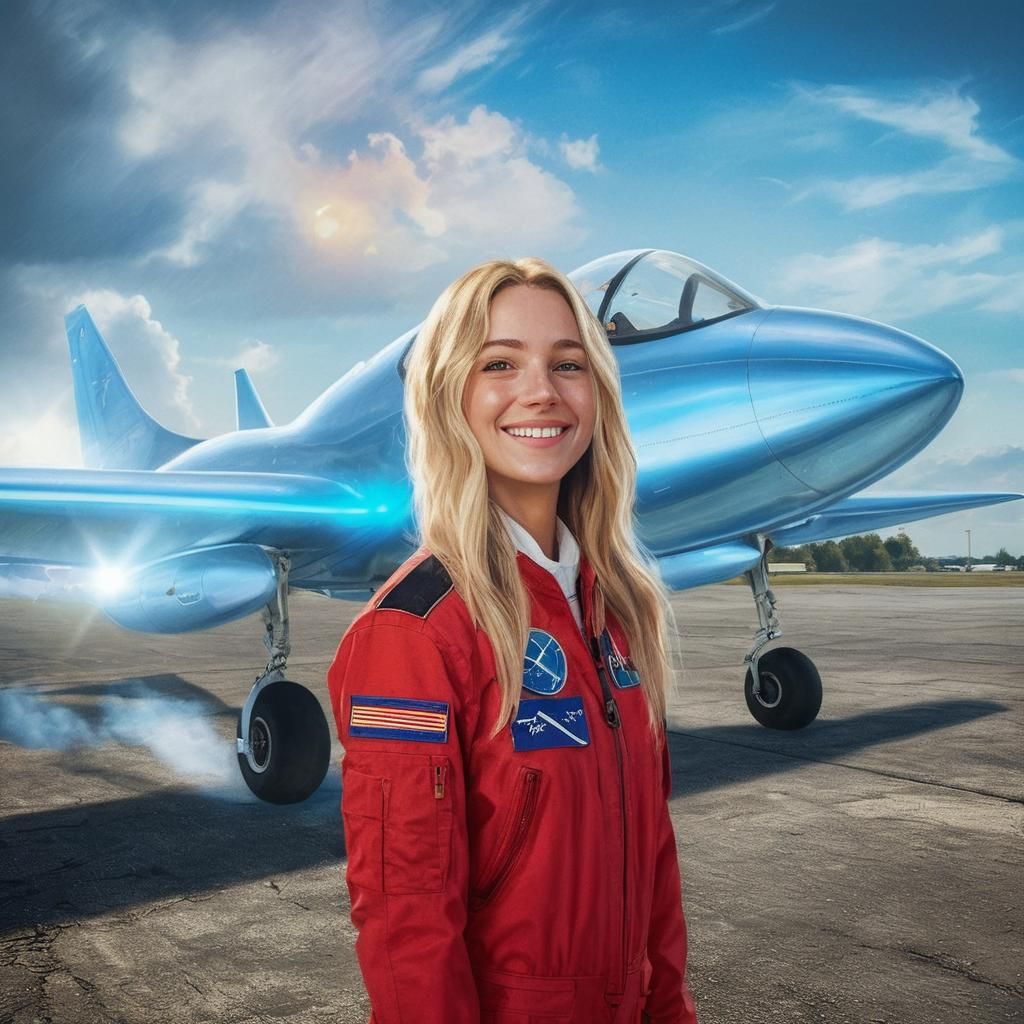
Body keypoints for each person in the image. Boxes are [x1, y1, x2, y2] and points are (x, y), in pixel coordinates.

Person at [326, 257, 698, 1024]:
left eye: (569, 364)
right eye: (500, 363)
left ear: (597, 393)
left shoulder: (618, 615)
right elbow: (406, 924)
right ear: (450, 395)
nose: (542, 392)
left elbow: (655, 868)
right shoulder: (411, 633)